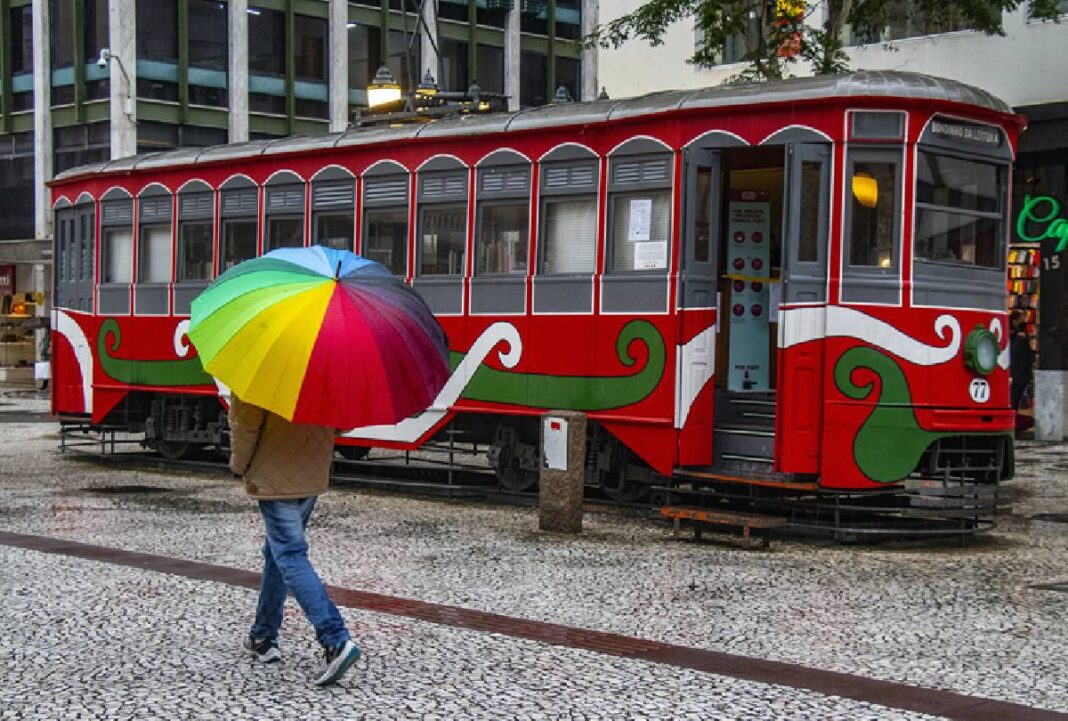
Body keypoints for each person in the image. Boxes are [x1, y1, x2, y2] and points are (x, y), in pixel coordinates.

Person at [228, 395, 361, 686]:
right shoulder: (323, 374)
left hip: (274, 477)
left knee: (289, 555)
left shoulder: (257, 376)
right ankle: (263, 635)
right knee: (277, 553)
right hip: (311, 475)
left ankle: (335, 639)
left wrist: (238, 466)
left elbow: (246, 425)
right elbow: (342, 423)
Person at [1009, 311, 1035, 412]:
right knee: (1016, 395)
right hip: (1019, 370)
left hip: (1017, 369)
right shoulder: (1018, 336)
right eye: (1019, 319)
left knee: (1015, 394)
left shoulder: (1016, 334)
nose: (1021, 321)